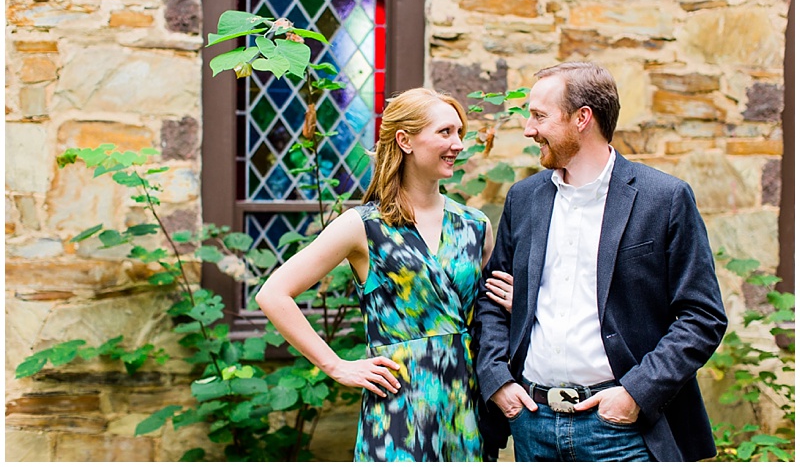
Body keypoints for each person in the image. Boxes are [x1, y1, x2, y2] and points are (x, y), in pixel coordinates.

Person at [475, 62, 728, 462]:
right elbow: (491, 301)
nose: (528, 129)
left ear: (582, 119)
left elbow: (702, 316)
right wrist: (497, 381)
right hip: (531, 422)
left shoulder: (664, 199)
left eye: (539, 116)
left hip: (620, 429)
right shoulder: (523, 199)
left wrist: (635, 394)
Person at [256, 87, 513, 461]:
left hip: (465, 409)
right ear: (405, 140)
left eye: (460, 132)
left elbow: (490, 318)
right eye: (445, 132)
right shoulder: (363, 226)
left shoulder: (475, 225)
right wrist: (336, 366)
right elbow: (273, 294)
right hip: (398, 411)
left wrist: (512, 301)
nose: (458, 143)